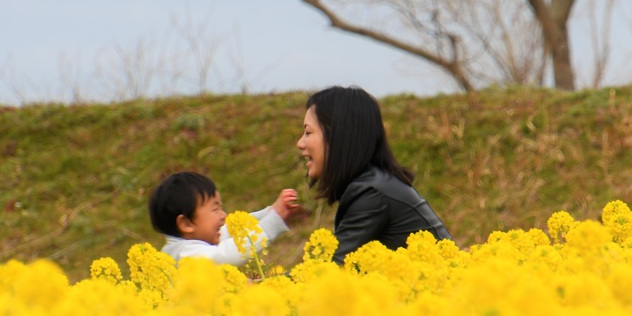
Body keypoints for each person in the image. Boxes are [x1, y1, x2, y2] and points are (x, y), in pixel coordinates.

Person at [297, 85, 451, 265]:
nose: (300, 143)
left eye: (308, 132)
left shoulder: (372, 193)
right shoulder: (376, 184)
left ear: (339, 136)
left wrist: (260, 285)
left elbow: (331, 270)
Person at [149, 171, 301, 265]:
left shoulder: (194, 241)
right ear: (186, 223)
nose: (224, 215)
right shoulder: (184, 255)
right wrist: (271, 224)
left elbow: (233, 231)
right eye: (215, 209)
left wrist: (270, 212)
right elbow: (227, 254)